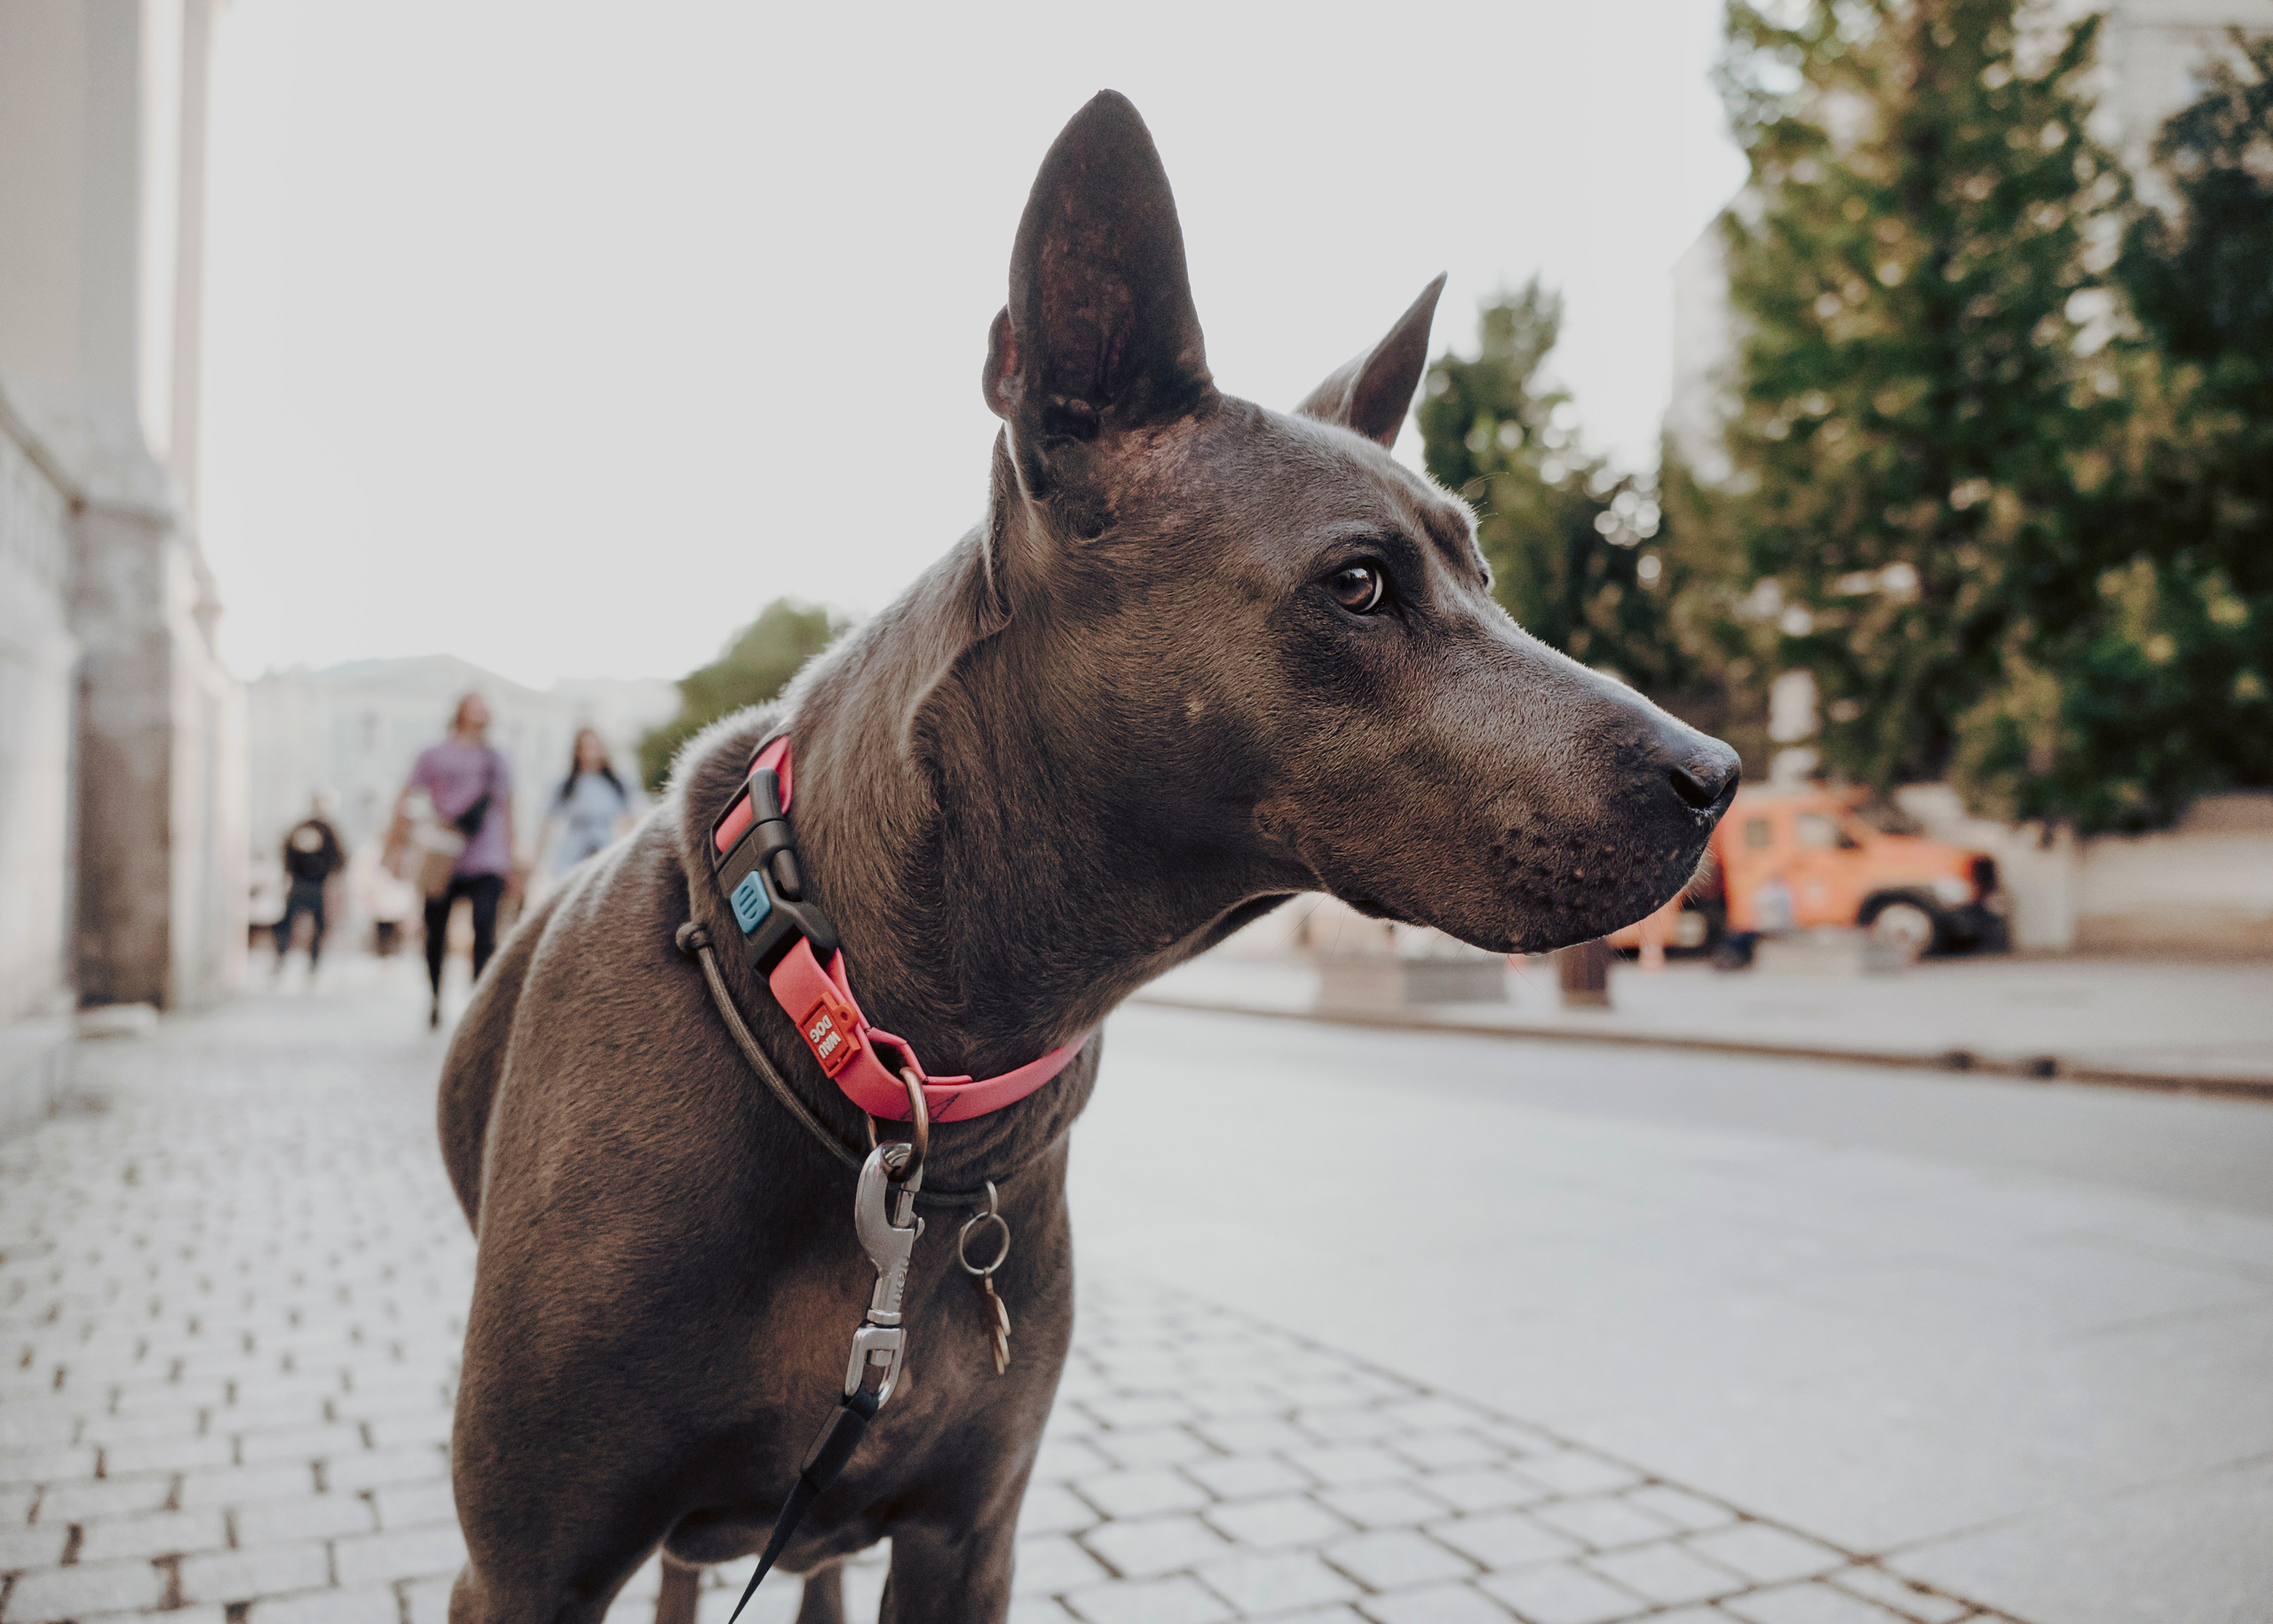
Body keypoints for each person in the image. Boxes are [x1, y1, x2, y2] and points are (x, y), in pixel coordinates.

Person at [392, 693, 518, 1028]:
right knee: (435, 932)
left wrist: (511, 857)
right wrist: (397, 845)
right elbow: (406, 797)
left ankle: (479, 1004)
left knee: (485, 929)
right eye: (475, 705)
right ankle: (434, 997)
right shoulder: (433, 754)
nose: (482, 712)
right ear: (461, 711)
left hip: (487, 857)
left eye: (485, 707)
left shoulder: (496, 759)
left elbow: (506, 809)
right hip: (442, 855)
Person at [536, 727, 638, 883]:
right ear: (578, 751)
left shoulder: (616, 785)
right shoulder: (566, 786)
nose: (591, 753)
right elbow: (548, 825)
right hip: (572, 855)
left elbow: (630, 824)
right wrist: (535, 863)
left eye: (595, 747)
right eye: (586, 747)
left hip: (605, 852)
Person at [275, 793, 345, 976]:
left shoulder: (329, 831)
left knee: (319, 926)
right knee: (287, 923)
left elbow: (340, 858)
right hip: (300, 883)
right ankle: (280, 960)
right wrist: (288, 873)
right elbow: (287, 851)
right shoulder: (301, 827)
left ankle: (313, 965)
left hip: (318, 885)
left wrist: (332, 879)